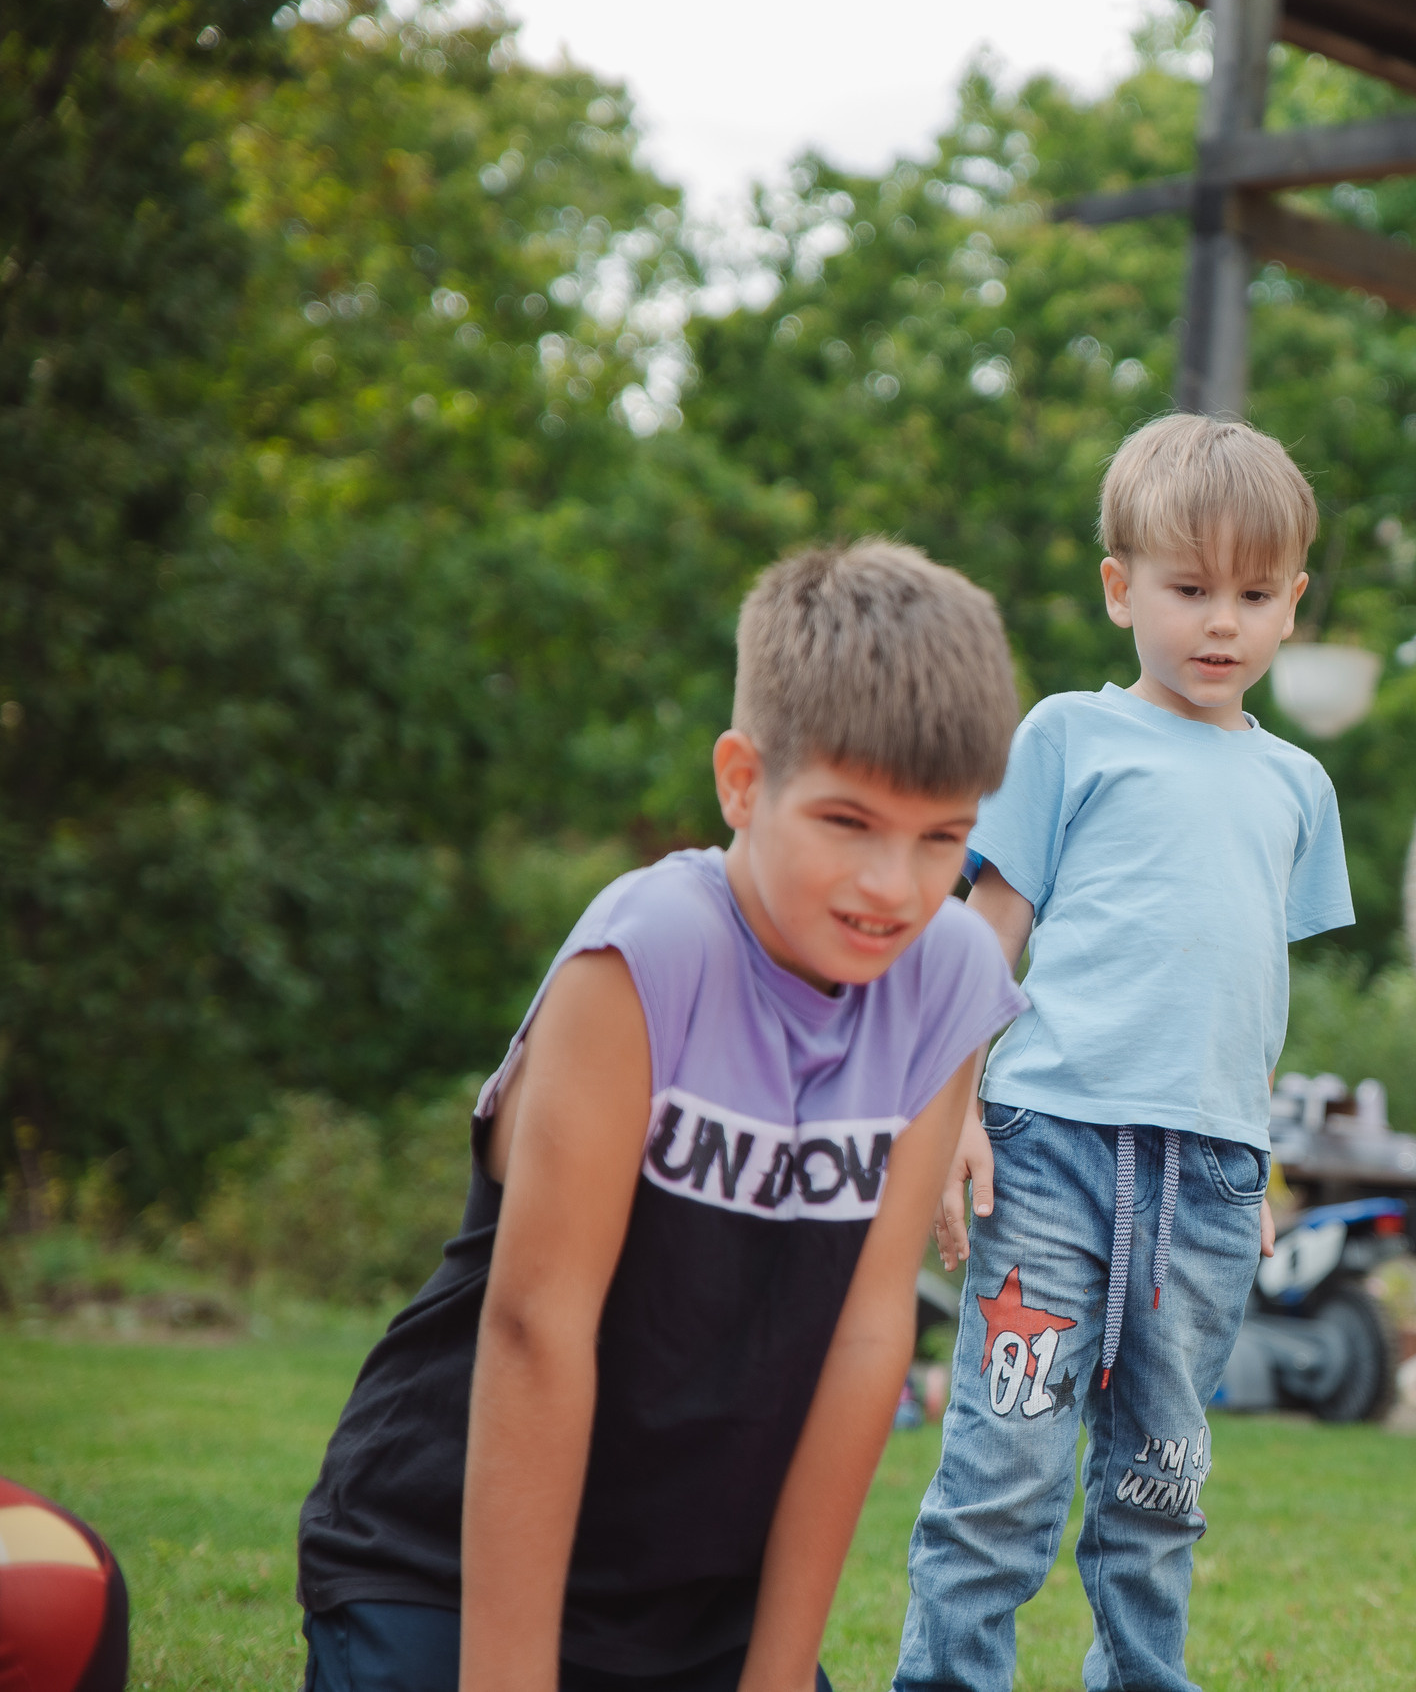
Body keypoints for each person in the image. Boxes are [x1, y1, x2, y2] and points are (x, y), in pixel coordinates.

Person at [294, 543, 1027, 1692]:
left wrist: (773, 1678)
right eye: (848, 821)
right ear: (742, 781)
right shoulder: (644, 956)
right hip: (444, 1559)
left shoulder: (948, 981)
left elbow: (866, 1337)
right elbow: (538, 1329)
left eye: (942, 838)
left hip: (696, 1608)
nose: (895, 884)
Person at [895, 414, 1353, 1692]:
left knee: (1160, 1487)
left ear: (1292, 606)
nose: (1221, 623)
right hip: (1048, 1151)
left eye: (1254, 596)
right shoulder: (1065, 739)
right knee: (1004, 1477)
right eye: (1188, 588)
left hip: (1208, 1176)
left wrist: (1258, 1164)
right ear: (1120, 588)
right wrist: (953, 1118)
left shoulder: (1296, 789)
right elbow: (980, 942)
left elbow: (1248, 990)